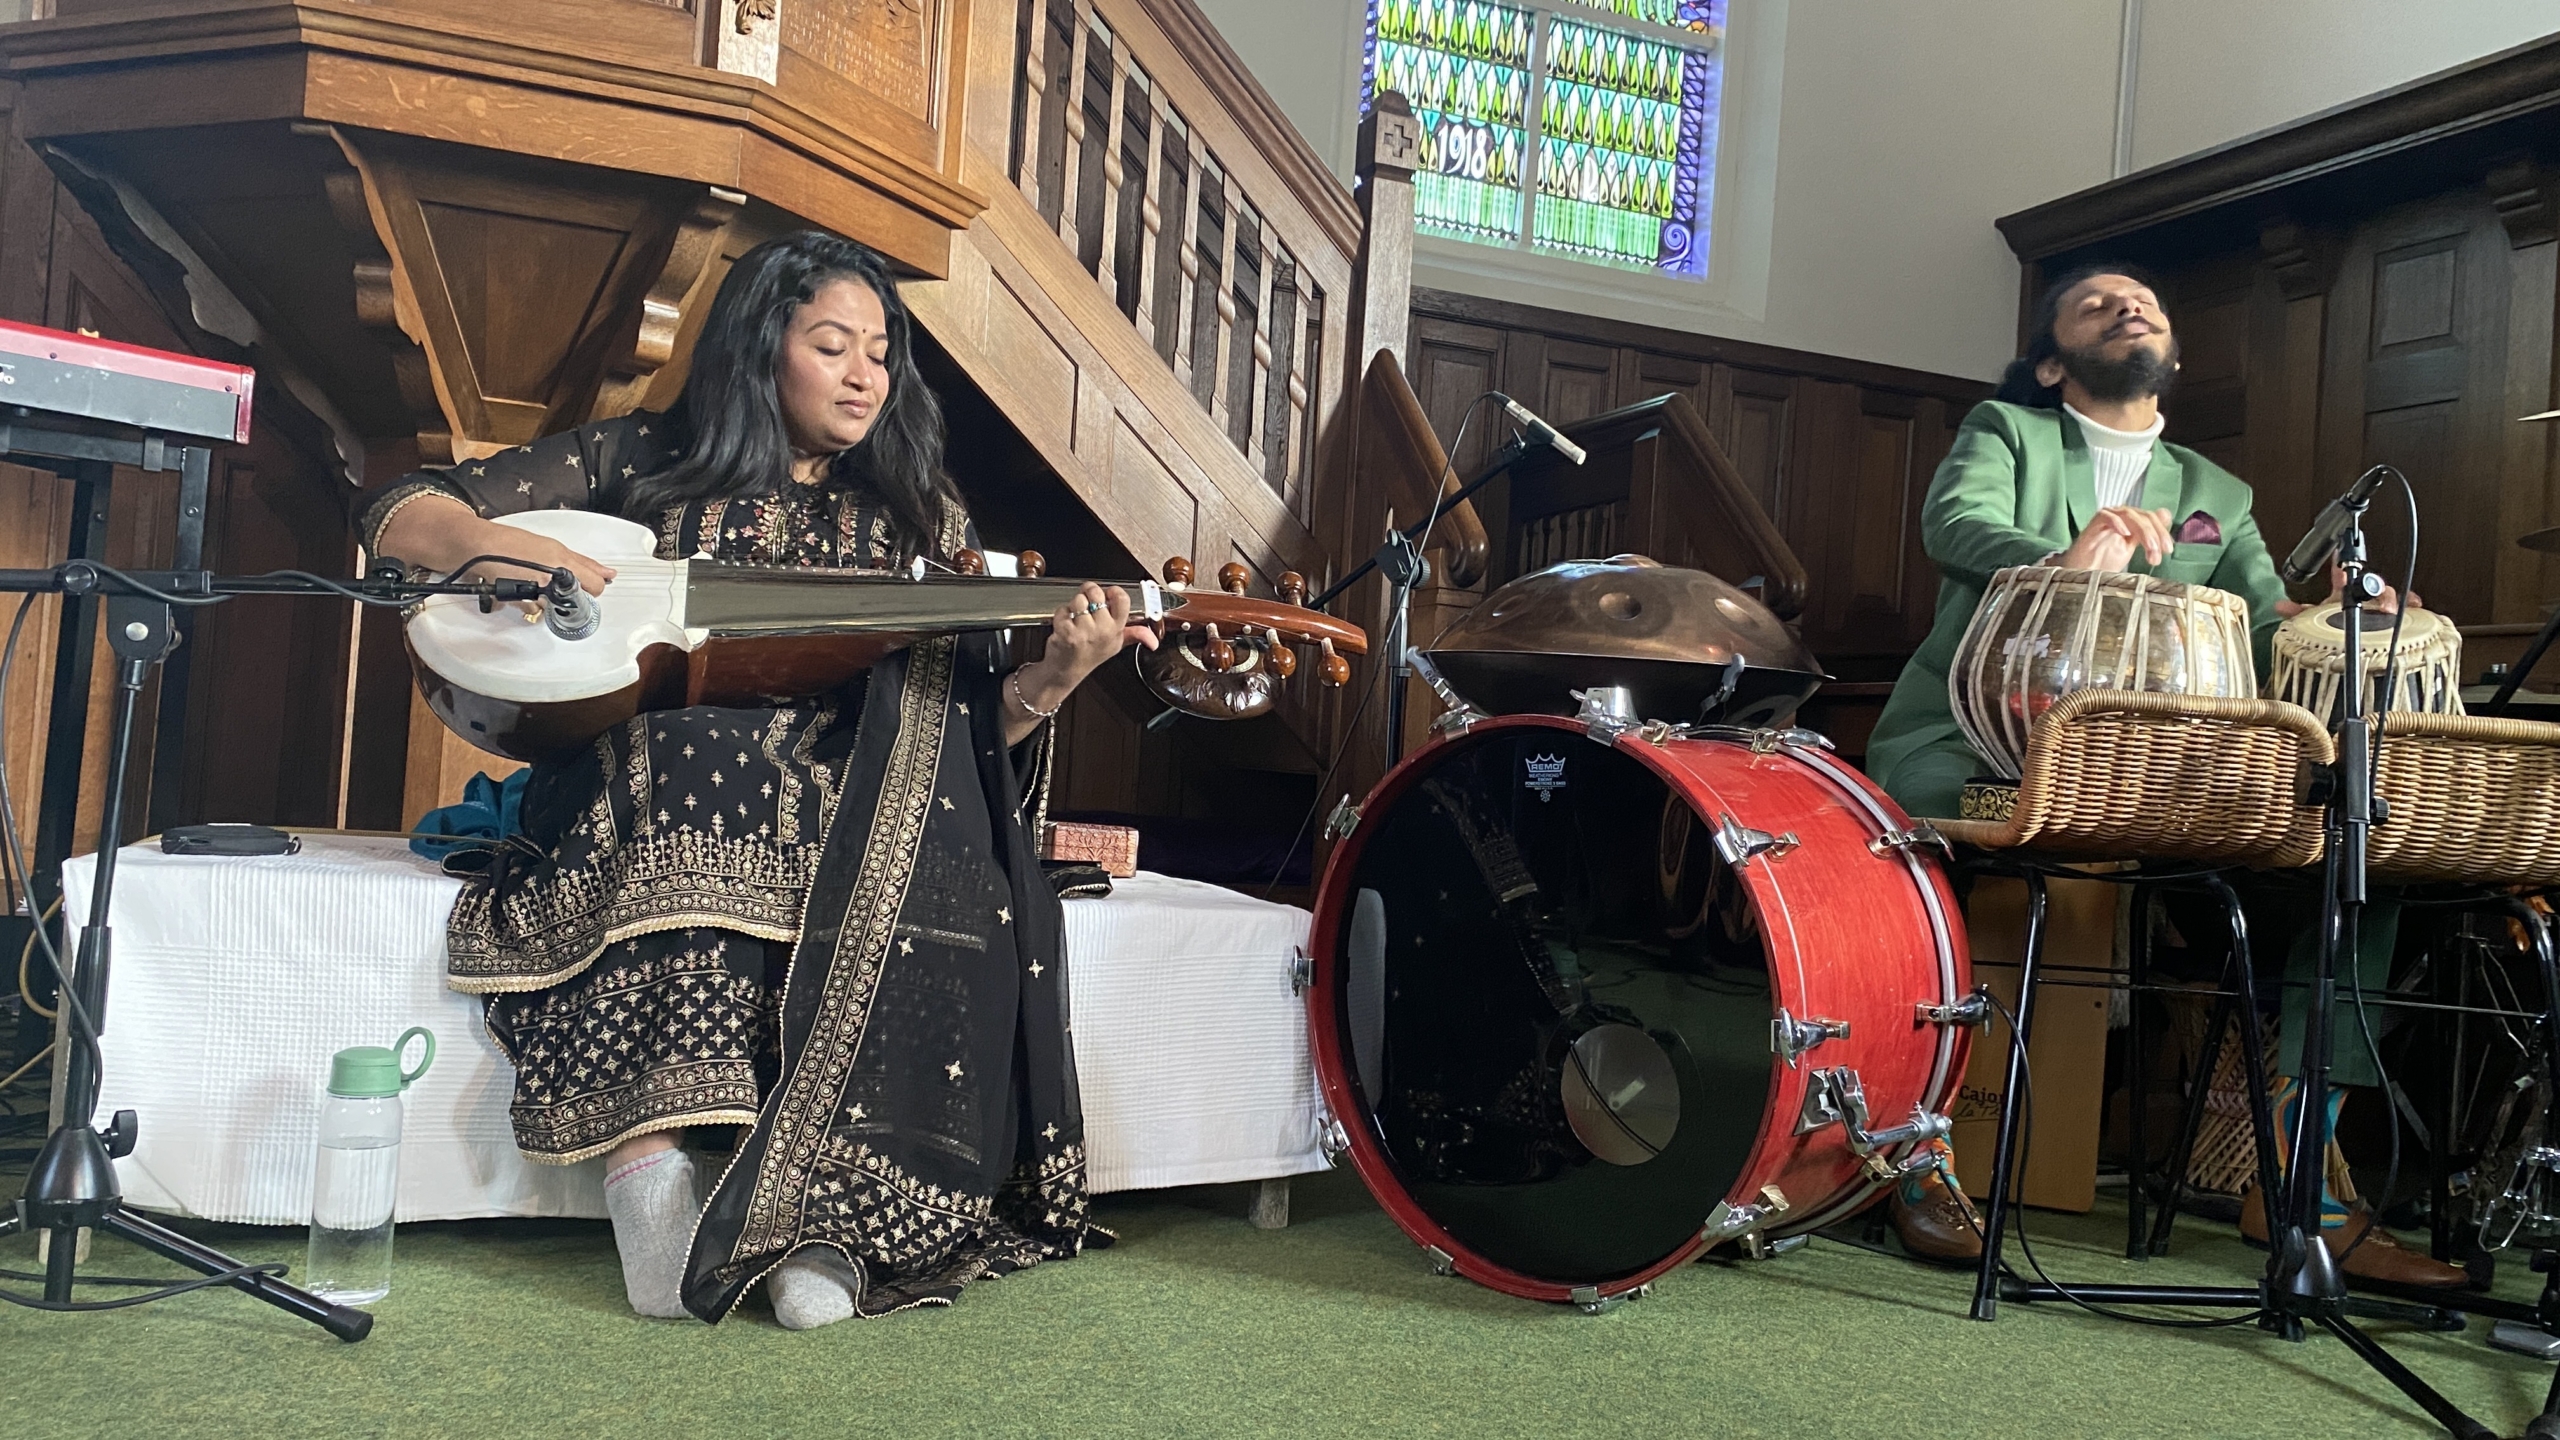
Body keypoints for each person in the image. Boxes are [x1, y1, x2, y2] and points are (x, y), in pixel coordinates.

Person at [361, 231, 1158, 1326]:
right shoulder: (642, 459)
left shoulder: (922, 520)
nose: (866, 374)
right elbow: (403, 508)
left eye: (880, 351)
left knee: (909, 831)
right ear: (758, 347)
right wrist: (496, 548)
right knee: (682, 758)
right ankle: (653, 1179)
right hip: (653, 772)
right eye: (832, 344)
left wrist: (1054, 683)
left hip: (852, 794)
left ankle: (828, 1222)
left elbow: (967, 746)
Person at [1864, 265, 2461, 1286]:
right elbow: (1952, 528)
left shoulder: (2214, 494)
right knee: (1917, 859)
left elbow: (2267, 624)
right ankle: (1914, 1154)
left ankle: (2296, 1174)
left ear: (2171, 354)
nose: (2125, 307)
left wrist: (2344, 621)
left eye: (2143, 302)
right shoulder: (2006, 434)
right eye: (2094, 303)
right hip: (1967, 742)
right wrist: (2070, 551)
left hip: (2149, 773)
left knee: (2364, 848)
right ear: (2051, 362)